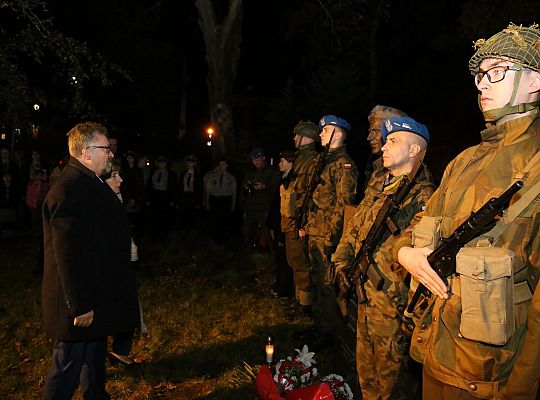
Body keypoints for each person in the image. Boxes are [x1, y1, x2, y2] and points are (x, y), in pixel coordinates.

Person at [397, 23, 540, 399]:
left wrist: (521, 388)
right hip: (437, 348)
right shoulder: (465, 160)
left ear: (535, 81)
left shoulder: (536, 161)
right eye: (480, 74)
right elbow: (418, 225)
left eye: (497, 71)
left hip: (492, 374)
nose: (481, 84)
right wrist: (406, 252)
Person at [333, 116, 435, 399]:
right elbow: (354, 227)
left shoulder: (424, 196)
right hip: (363, 294)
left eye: (393, 140)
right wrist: (340, 261)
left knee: (393, 381)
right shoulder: (379, 183)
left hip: (392, 303)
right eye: (386, 140)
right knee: (367, 372)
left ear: (414, 150)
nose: (384, 145)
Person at [41, 121, 140, 400]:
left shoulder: (90, 181)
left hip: (96, 296)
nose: (110, 154)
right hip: (79, 302)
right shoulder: (70, 189)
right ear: (86, 152)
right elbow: (68, 254)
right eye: (105, 148)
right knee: (67, 366)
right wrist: (80, 304)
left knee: (94, 358)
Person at [296, 115, 359, 351]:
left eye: (325, 131)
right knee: (317, 282)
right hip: (316, 231)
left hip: (327, 237)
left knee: (327, 286)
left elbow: (344, 205)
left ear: (338, 134)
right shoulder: (325, 160)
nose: (320, 135)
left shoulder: (344, 164)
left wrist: (332, 239)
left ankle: (330, 332)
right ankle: (320, 325)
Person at [102, 158, 145, 366]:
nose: (120, 179)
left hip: (121, 263)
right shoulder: (98, 202)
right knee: (109, 310)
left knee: (128, 310)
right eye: (113, 176)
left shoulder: (116, 196)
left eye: (119, 175)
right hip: (107, 267)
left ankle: (120, 351)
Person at [280, 120, 320, 319]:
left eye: (297, 135)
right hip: (291, 219)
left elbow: (309, 195)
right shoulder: (300, 159)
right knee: (294, 261)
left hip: (299, 222)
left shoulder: (311, 160)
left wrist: (303, 223)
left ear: (306, 137)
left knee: (301, 263)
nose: (294, 138)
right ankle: (299, 300)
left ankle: (305, 306)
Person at [267, 150, 296, 299]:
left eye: (282, 162)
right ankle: (280, 285)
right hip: (278, 224)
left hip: (286, 225)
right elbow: (275, 204)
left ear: (290, 163)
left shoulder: (293, 180)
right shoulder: (283, 178)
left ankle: (284, 290)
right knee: (279, 257)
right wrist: (271, 225)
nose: (279, 164)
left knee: (285, 259)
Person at [241, 147, 279, 248]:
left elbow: (276, 187)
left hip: (265, 206)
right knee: (248, 228)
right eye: (253, 160)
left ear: (263, 158)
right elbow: (244, 184)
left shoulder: (271, 170)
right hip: (251, 205)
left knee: (267, 229)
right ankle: (248, 247)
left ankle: (270, 249)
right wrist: (246, 186)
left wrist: (264, 186)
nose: (255, 162)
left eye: (257, 159)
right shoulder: (250, 170)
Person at [203, 159, 237, 241]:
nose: (222, 166)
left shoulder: (231, 177)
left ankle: (223, 237)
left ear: (227, 166)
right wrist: (206, 202)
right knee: (214, 219)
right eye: (220, 164)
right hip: (215, 200)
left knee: (224, 219)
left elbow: (234, 192)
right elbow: (208, 190)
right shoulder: (212, 176)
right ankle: (214, 237)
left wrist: (233, 204)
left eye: (224, 164)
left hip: (225, 200)